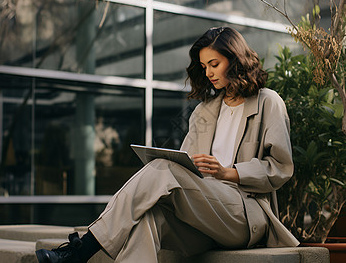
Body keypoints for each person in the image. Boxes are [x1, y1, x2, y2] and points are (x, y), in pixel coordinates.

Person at [35, 27, 299, 263]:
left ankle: (82, 250)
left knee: (163, 168)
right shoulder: (204, 111)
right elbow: (185, 166)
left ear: (235, 59)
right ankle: (81, 251)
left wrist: (227, 172)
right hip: (203, 213)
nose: (207, 73)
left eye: (214, 64)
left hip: (243, 215)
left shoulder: (267, 102)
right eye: (204, 66)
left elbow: (281, 167)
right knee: (148, 220)